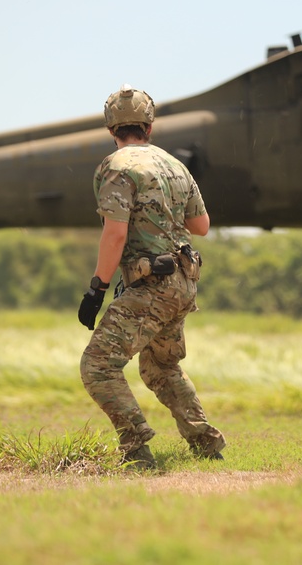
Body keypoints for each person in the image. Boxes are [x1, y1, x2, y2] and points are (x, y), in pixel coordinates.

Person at [77, 84, 225, 469]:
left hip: (152, 285)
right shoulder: (175, 165)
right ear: (150, 126)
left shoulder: (116, 167)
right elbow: (202, 225)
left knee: (98, 365)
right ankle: (206, 444)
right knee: (160, 367)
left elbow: (115, 233)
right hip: (183, 282)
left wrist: (97, 289)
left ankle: (137, 448)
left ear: (111, 129)